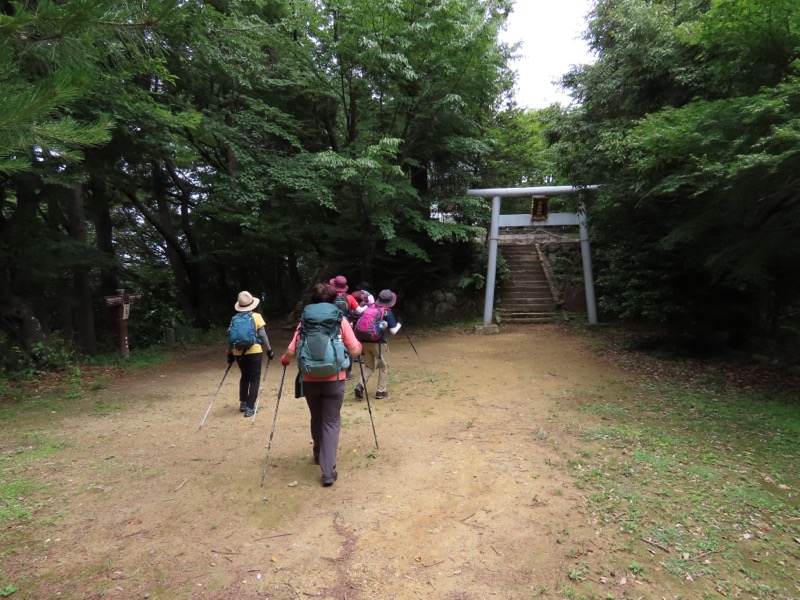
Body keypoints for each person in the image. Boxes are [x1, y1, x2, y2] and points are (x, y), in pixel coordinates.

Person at [280, 283, 362, 486]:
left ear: (313, 301)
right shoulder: (340, 320)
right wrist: (358, 346)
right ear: (335, 300)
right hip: (335, 379)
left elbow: (291, 352)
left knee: (316, 418)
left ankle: (318, 454)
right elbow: (354, 351)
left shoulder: (304, 323)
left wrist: (284, 359)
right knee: (331, 422)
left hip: (309, 379)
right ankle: (328, 471)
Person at [227, 291, 274, 418]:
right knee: (254, 378)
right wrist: (269, 350)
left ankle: (243, 402)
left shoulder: (234, 319)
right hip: (254, 351)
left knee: (245, 375)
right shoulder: (256, 317)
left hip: (238, 352)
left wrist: (229, 352)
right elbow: (263, 335)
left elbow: (230, 337)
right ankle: (250, 407)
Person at [354, 289, 400, 400]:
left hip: (364, 340)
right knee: (383, 366)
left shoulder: (369, 308)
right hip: (378, 343)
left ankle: (360, 385)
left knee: (369, 366)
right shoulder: (387, 312)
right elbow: (393, 331)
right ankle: (380, 392)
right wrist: (399, 324)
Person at [329, 275, 360, 380]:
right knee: (348, 346)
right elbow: (358, 311)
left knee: (332, 344)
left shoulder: (329, 297)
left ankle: (333, 368)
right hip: (345, 324)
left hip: (331, 324)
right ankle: (347, 372)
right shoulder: (349, 297)